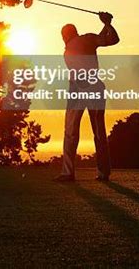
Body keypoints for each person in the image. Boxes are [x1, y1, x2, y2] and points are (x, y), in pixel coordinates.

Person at [54, 12, 120, 183]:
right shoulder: (87, 40)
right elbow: (111, 39)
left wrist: (107, 24)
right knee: (99, 132)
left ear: (66, 35)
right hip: (93, 88)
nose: (63, 39)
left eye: (63, 35)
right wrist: (107, 24)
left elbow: (109, 40)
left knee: (70, 133)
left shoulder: (80, 42)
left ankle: (68, 173)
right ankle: (103, 173)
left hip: (78, 90)